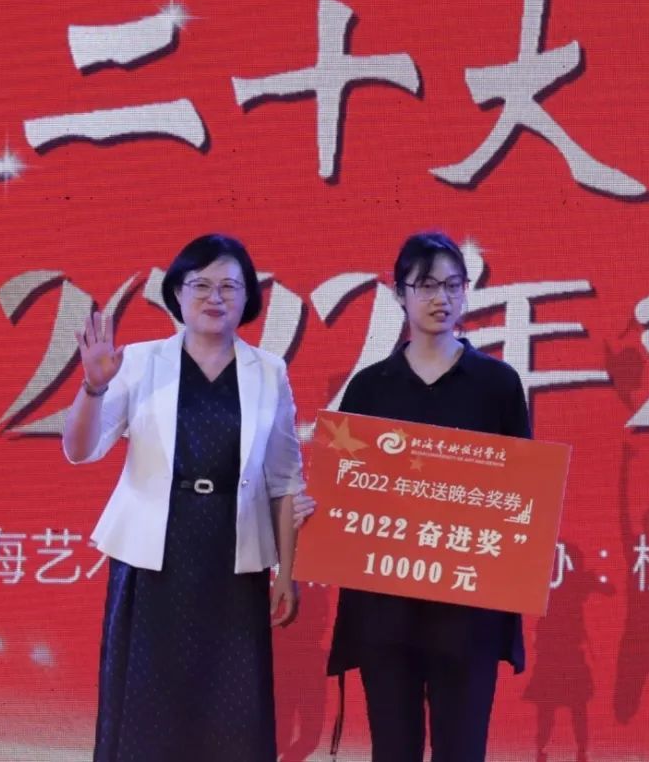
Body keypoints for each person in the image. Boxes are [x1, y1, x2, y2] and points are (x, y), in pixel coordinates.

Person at [62, 234, 306, 762]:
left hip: (233, 556)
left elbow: (285, 479)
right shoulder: (138, 361)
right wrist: (93, 387)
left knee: (231, 709)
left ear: (248, 297)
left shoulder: (269, 371)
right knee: (147, 703)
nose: (214, 297)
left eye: (229, 286)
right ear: (177, 292)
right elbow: (80, 451)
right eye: (200, 284)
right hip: (154, 555)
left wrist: (286, 573)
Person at [326, 231, 531, 762]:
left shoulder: (497, 385)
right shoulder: (370, 388)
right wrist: (318, 509)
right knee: (393, 749)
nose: (442, 298)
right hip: (385, 609)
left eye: (453, 285)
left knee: (462, 750)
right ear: (400, 293)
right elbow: (343, 487)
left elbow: (522, 495)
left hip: (468, 608)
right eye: (426, 285)